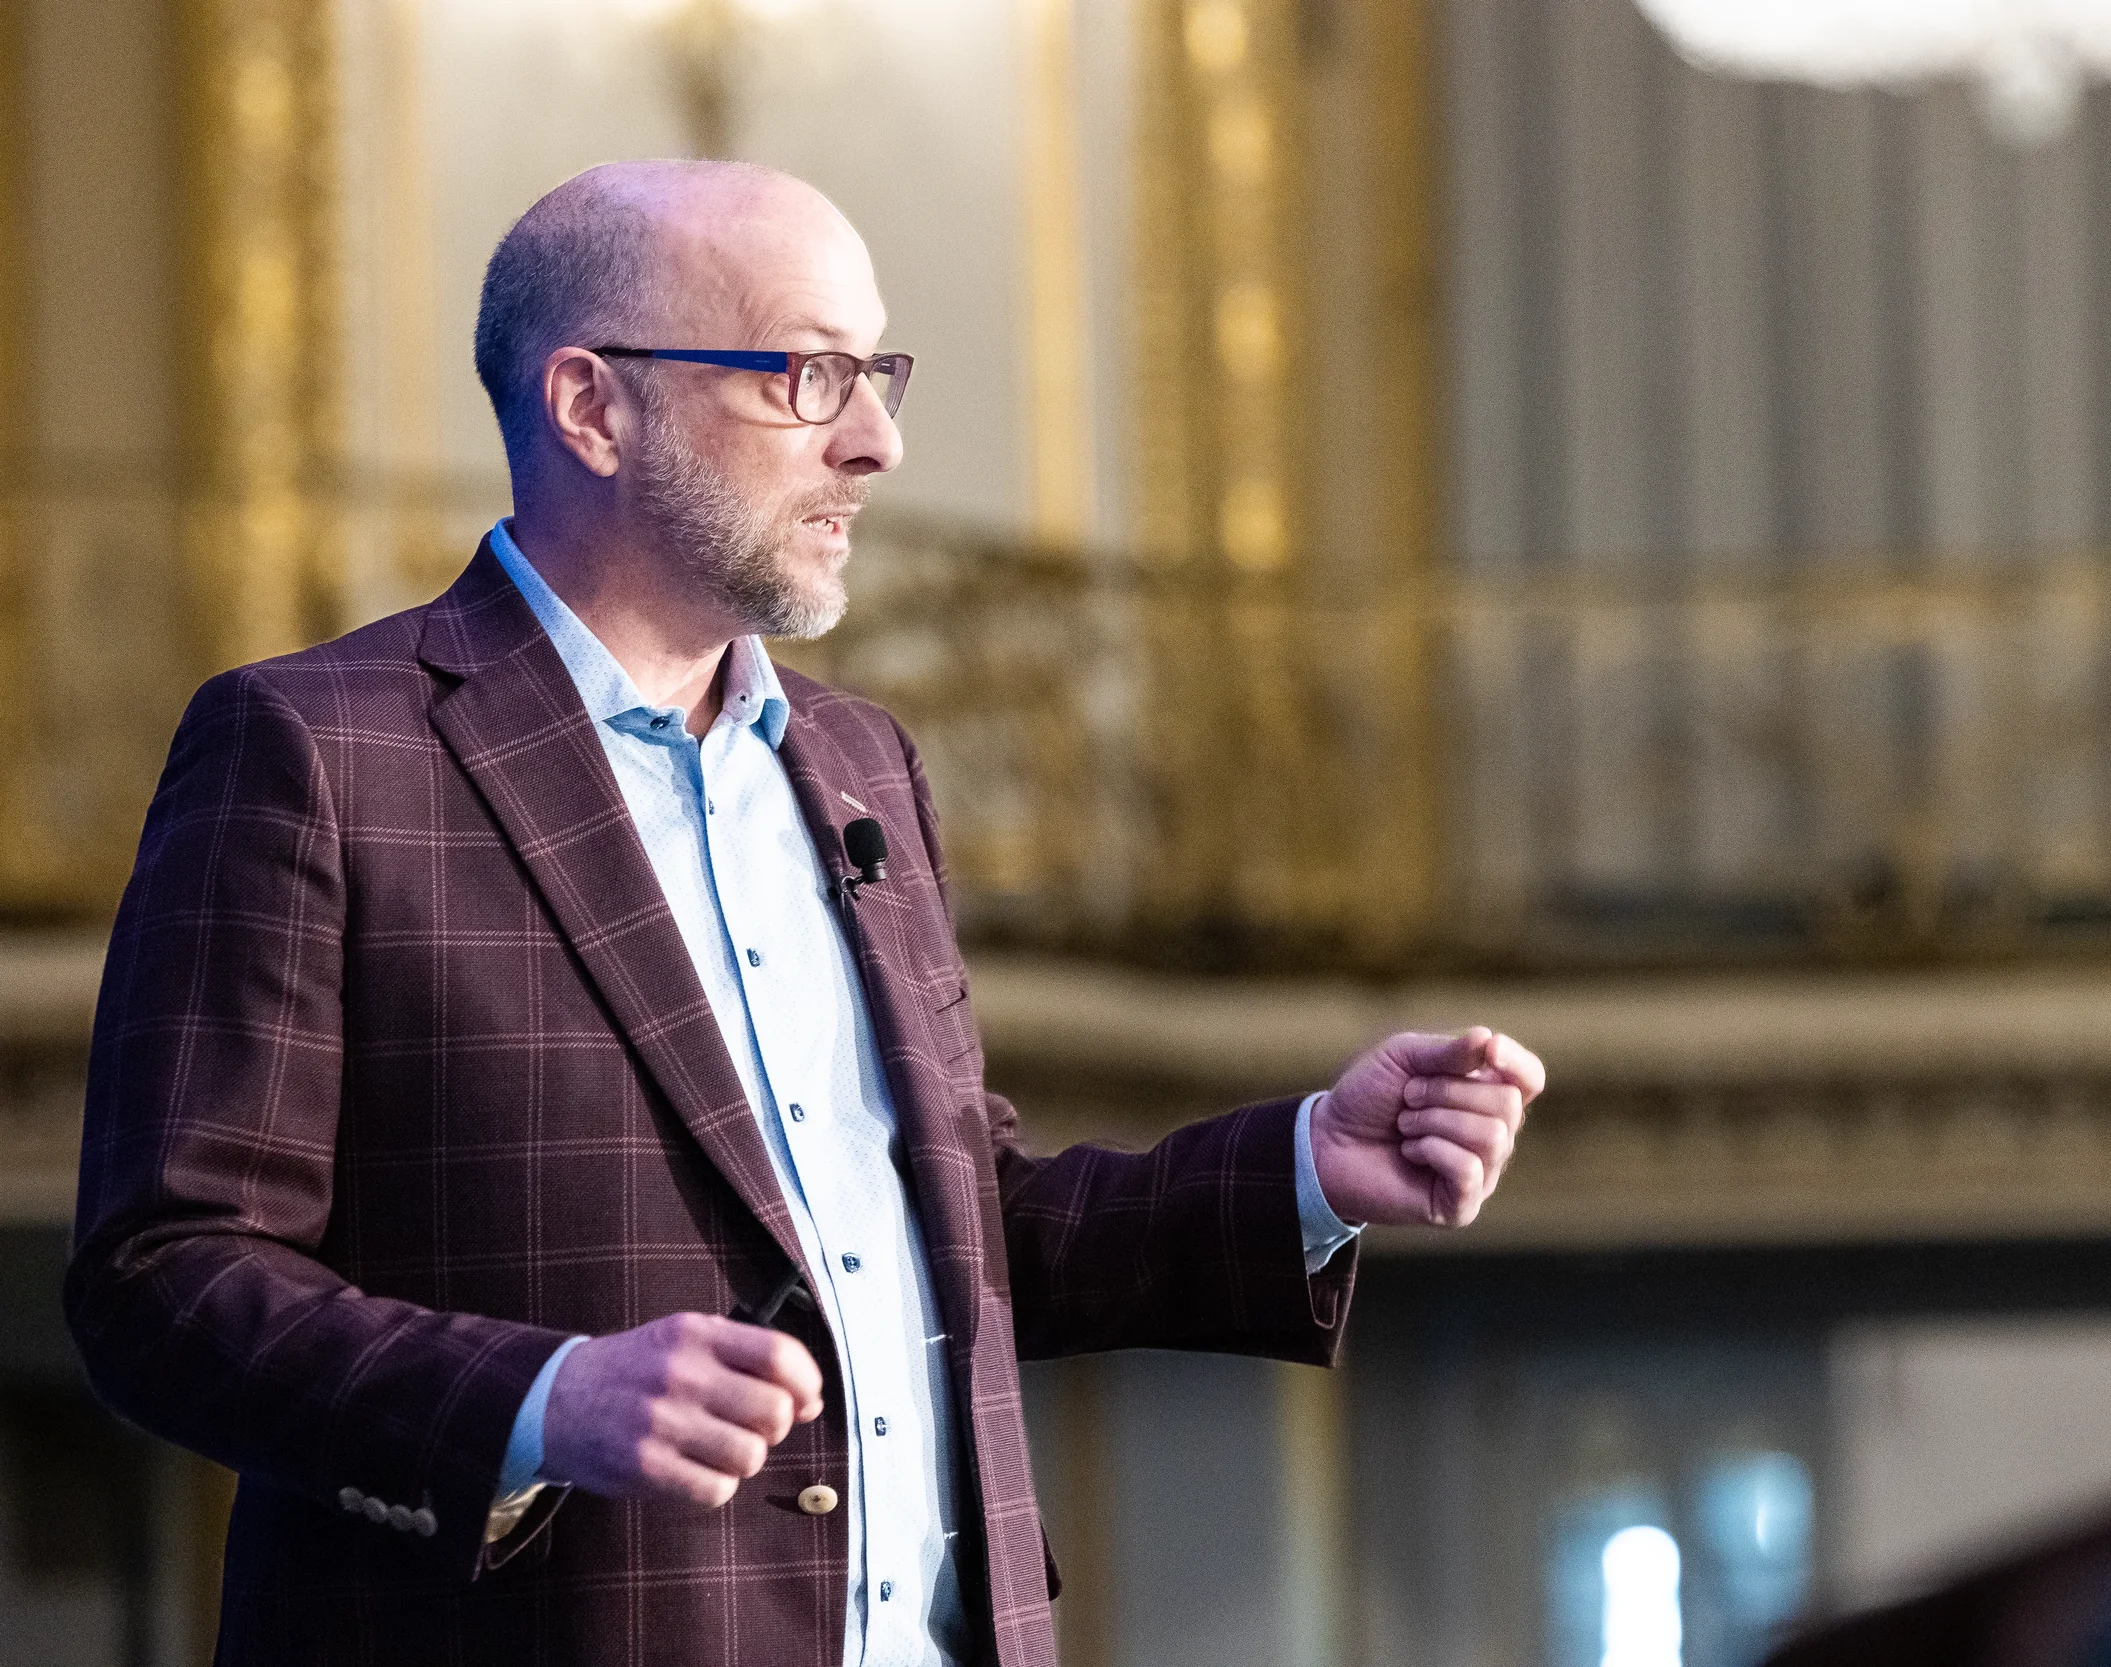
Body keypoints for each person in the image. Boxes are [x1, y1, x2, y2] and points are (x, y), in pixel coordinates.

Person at [65, 159, 1543, 1667]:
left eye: (877, 372)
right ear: (593, 407)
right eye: (808, 373)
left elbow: (964, 1225)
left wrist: (1308, 1167)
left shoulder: (859, 763)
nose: (878, 441)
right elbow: (165, 1278)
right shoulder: (320, 751)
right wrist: (538, 1400)